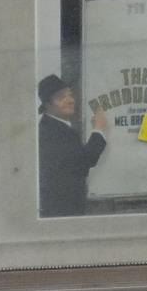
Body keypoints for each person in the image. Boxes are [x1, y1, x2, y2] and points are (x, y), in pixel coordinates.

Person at [37, 73, 107, 217]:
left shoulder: (56, 127)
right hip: (63, 211)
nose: (70, 101)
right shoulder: (52, 131)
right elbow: (84, 162)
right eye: (62, 97)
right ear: (47, 105)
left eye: (70, 95)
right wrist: (98, 129)